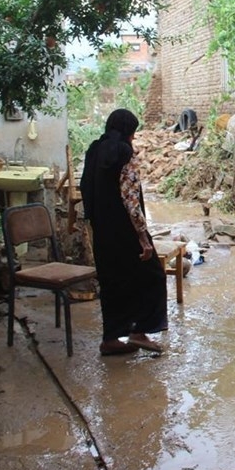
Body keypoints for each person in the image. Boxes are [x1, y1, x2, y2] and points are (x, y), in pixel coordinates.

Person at [80, 109, 167, 355]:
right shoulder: (124, 153)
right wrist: (142, 236)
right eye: (134, 133)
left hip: (103, 230)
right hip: (125, 230)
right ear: (129, 131)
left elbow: (85, 186)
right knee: (153, 276)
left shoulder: (94, 150)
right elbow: (130, 199)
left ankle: (110, 339)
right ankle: (140, 332)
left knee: (112, 282)